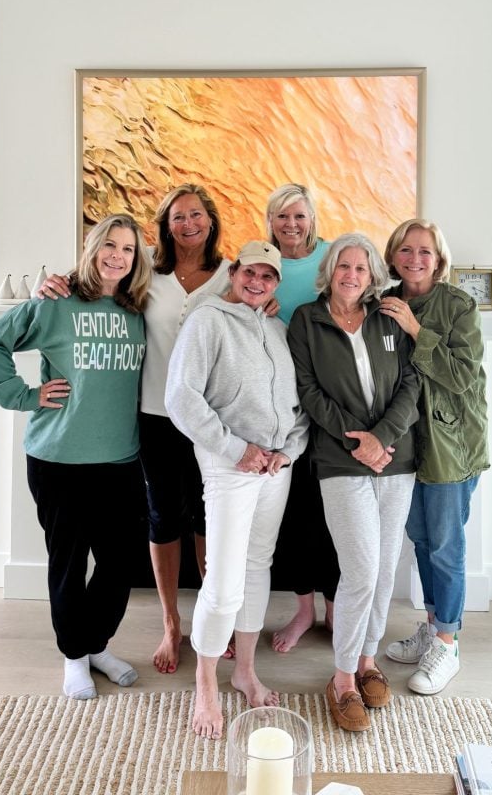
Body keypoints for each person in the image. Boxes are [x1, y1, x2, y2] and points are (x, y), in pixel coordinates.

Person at [38, 184, 231, 675]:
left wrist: (266, 305)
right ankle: (171, 624)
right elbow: (101, 270)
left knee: (212, 523)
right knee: (164, 519)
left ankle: (213, 621)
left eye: (196, 215)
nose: (188, 224)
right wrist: (55, 282)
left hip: (213, 418)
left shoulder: (231, 276)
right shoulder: (148, 272)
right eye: (177, 217)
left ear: (210, 220)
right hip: (154, 416)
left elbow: (256, 305)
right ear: (165, 226)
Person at [0, 214, 151, 700]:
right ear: (92, 249)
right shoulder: (56, 302)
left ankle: (94, 645)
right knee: (69, 563)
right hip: (59, 459)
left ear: (137, 259)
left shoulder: (138, 309)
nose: (117, 255)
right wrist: (24, 395)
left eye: (128, 249)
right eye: (109, 245)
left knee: (120, 563)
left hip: (120, 458)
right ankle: (74, 657)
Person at [165, 241, 308, 740]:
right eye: (251, 272)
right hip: (230, 465)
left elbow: (296, 405)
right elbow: (181, 396)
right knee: (224, 578)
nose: (258, 282)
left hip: (275, 466)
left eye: (269, 277)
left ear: (275, 284)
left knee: (257, 565)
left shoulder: (278, 329)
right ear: (234, 271)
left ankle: (244, 671)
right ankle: (205, 683)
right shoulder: (208, 320)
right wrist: (234, 449)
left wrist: (288, 449)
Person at [287, 233, 419, 732]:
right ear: (330, 269)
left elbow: (411, 381)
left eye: (361, 269)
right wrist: (358, 442)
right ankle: (341, 678)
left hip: (395, 457)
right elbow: (309, 391)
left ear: (372, 275)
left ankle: (367, 661)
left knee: (385, 569)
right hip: (340, 460)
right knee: (361, 569)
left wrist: (383, 436)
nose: (352, 275)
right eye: (344, 266)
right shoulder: (307, 320)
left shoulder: (388, 317)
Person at [380, 218, 489, 695]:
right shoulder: (382, 300)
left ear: (439, 260)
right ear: (394, 255)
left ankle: (448, 641)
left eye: (425, 251)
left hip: (451, 445)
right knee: (421, 538)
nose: (415, 259)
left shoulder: (459, 306)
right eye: (406, 250)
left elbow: (461, 376)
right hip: (407, 443)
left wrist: (415, 327)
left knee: (446, 545)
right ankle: (431, 625)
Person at [264, 183, 340, 653]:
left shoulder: (334, 258)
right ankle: (304, 609)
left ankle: (335, 608)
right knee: (295, 515)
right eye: (281, 217)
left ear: (313, 218)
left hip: (331, 398)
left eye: (299, 216)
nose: (291, 225)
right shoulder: (264, 264)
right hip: (283, 405)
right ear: (269, 221)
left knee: (334, 509)